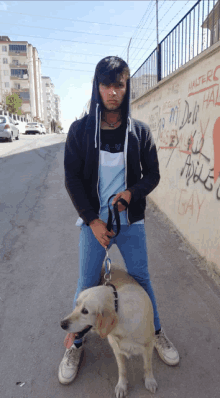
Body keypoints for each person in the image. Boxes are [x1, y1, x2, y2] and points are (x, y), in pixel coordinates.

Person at [58, 56, 179, 385]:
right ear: (97, 88)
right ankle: (76, 344)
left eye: (119, 85)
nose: (113, 91)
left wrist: (131, 194)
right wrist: (92, 221)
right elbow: (73, 180)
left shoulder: (139, 132)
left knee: (142, 278)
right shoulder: (81, 131)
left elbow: (152, 175)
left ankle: (155, 333)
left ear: (126, 88)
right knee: (86, 284)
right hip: (94, 224)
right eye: (106, 85)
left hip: (131, 223)